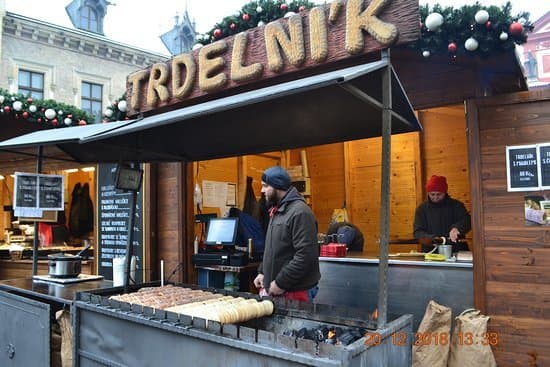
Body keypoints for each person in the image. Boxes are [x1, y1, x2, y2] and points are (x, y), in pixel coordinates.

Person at [253, 166, 320, 302]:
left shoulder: (300, 213)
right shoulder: (277, 210)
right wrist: (263, 272)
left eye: (266, 186)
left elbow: (305, 256)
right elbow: (273, 248)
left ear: (277, 186)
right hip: (277, 289)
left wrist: (280, 283)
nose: (262, 190)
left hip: (295, 292)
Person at [413, 175, 471, 253]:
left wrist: (457, 228)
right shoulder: (422, 209)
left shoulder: (457, 206)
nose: (435, 197)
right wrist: (433, 239)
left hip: (456, 251)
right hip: (431, 252)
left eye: (439, 194)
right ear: (428, 193)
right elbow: (418, 232)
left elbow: (467, 221)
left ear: (445, 192)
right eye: (432, 194)